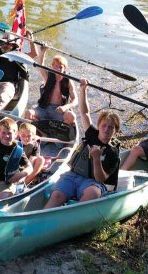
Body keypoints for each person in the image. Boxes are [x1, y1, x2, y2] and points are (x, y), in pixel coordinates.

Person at [45, 78, 121, 208]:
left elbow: (100, 180)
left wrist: (96, 158)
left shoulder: (113, 153)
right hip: (73, 175)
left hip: (92, 182)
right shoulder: (92, 134)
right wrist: (83, 90)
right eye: (104, 126)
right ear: (99, 125)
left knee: (93, 193)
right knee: (57, 195)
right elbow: (84, 113)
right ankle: (43, 218)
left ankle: (73, 218)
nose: (106, 129)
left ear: (116, 131)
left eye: (111, 127)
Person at [27, 32, 77, 125]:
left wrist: (65, 107)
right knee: (28, 113)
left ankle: (58, 129)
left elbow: (75, 100)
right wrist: (43, 51)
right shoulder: (47, 76)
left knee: (71, 117)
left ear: (65, 68)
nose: (58, 69)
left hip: (59, 110)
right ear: (52, 66)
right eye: (56, 66)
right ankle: (41, 129)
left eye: (60, 67)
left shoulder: (69, 81)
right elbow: (40, 66)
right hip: (44, 108)